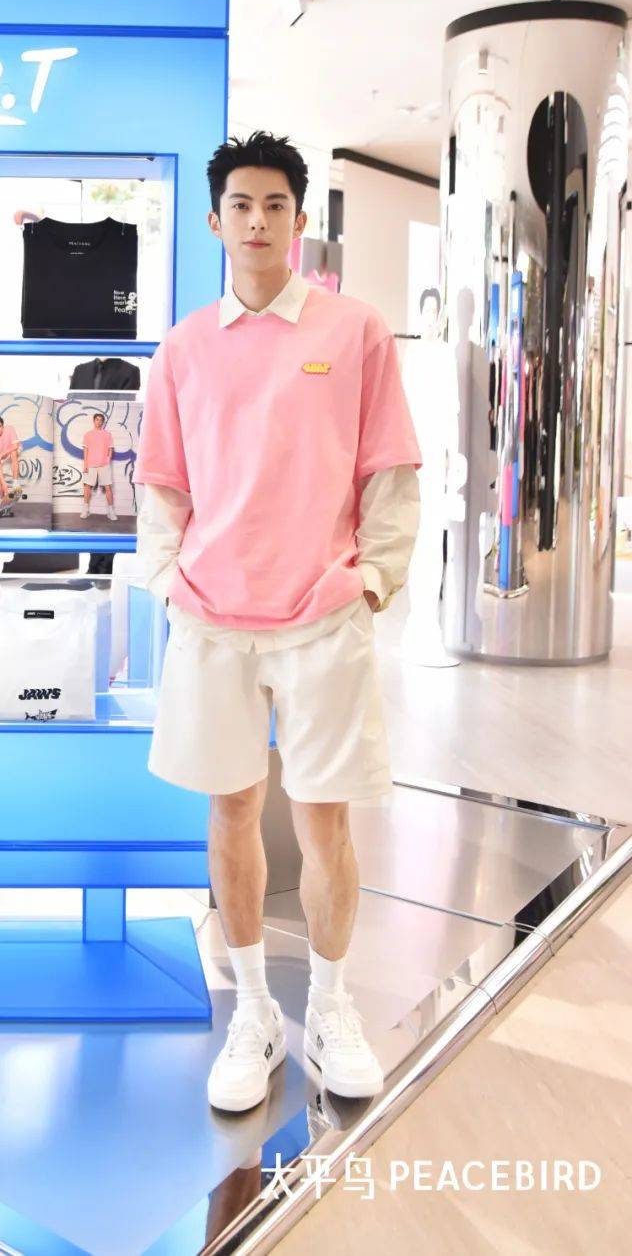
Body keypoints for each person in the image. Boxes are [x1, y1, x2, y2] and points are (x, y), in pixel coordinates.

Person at [135, 131, 421, 1112]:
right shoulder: (183, 348)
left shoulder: (355, 331)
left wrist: (374, 581)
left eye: (275, 206)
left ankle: (331, 1007)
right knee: (230, 811)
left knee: (325, 817)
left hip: (321, 614)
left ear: (299, 220)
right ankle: (254, 1011)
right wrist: (168, 581)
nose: (257, 221)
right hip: (212, 618)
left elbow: (389, 470)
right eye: (241, 205)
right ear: (215, 220)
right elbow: (161, 484)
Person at [80, 411, 117, 521]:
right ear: (94, 421)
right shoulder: (88, 434)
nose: (99, 422)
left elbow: (110, 448)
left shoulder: (107, 435)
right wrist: (85, 464)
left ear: (103, 422)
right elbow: (85, 450)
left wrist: (108, 459)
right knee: (87, 487)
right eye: (97, 419)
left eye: (101, 420)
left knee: (108, 487)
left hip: (104, 465)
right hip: (91, 464)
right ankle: (85, 510)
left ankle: (111, 512)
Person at [0, 413, 22, 517]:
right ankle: (4, 504)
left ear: (3, 426)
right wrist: (4, 485)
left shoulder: (10, 429)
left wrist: (2, 454)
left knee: (13, 452)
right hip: (2, 458)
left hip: (13, 450)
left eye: (0, 426)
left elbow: (15, 445)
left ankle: (15, 482)